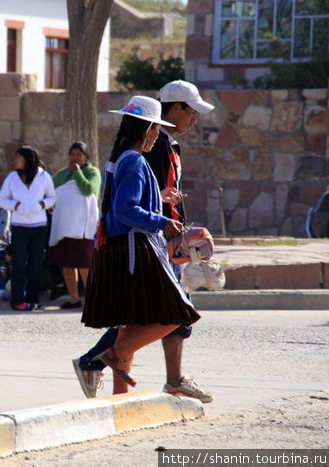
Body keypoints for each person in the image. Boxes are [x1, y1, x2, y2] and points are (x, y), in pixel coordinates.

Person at [73, 81, 215, 402]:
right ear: (149, 129)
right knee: (178, 314)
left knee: (130, 322)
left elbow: (124, 201)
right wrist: (163, 220)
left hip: (118, 249)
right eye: (156, 129)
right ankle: (109, 355)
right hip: (137, 251)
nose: (157, 135)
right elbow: (126, 209)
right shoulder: (136, 160)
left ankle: (120, 399)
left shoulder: (120, 158)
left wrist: (157, 198)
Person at [0, 145, 56, 311]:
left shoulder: (44, 176)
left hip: (39, 227)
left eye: (18, 157)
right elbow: (2, 200)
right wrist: (16, 205)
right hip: (19, 227)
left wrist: (42, 204)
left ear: (28, 159)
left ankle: (32, 300)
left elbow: (52, 197)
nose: (14, 160)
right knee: (19, 264)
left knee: (36, 264)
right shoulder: (11, 178)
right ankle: (17, 301)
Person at [48, 141, 101, 309]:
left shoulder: (93, 172)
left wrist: (78, 174)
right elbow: (49, 191)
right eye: (73, 154)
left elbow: (88, 190)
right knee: (68, 263)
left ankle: (93, 300)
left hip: (84, 226)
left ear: (86, 157)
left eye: (79, 154)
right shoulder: (62, 174)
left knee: (85, 263)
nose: (75, 157)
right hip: (65, 226)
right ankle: (74, 298)